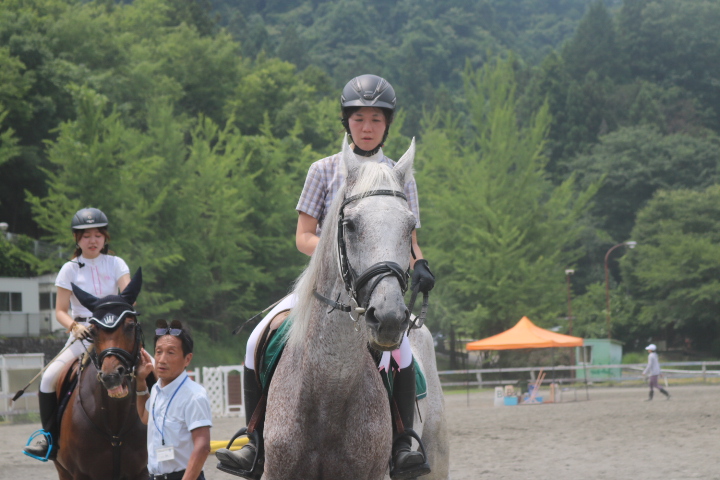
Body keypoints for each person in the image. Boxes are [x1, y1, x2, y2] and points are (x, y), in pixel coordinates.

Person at [216, 74, 435, 479]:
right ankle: (253, 441)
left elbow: (407, 240)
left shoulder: (398, 174)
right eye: (359, 119)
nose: (367, 127)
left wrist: (419, 262)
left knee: (402, 350)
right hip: (324, 286)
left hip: (373, 290)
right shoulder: (323, 170)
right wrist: (337, 255)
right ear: (346, 121)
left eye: (376, 119)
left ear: (387, 124)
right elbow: (303, 236)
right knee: (255, 338)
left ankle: (403, 443)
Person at [23, 207, 131, 461]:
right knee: (48, 378)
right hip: (83, 334)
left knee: (152, 368)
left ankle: (159, 428)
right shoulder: (69, 269)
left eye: (98, 235)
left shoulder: (117, 263)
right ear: (77, 239)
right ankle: (49, 438)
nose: (93, 240)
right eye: (86, 236)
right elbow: (60, 311)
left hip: (114, 332)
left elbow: (129, 297)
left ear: (105, 237)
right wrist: (74, 326)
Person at [136, 319, 212, 480]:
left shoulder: (194, 396)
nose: (162, 359)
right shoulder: (156, 389)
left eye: (171, 352)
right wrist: (141, 381)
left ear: (187, 359)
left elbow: (203, 447)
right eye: (158, 352)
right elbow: (144, 416)